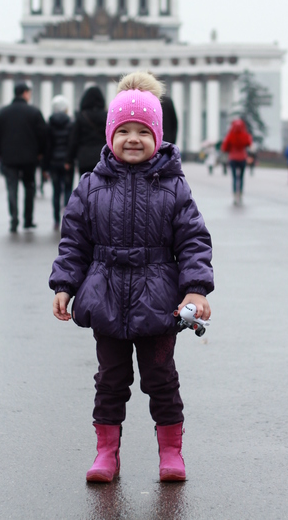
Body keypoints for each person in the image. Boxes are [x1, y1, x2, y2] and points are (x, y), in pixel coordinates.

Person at [49, 71, 213, 484]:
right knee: (110, 380)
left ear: (157, 136)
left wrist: (196, 287)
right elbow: (74, 242)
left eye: (143, 131)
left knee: (161, 379)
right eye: (124, 130)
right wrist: (64, 285)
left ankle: (171, 453)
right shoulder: (90, 187)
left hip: (158, 298)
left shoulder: (174, 187)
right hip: (106, 296)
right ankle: (107, 453)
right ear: (110, 135)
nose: (133, 139)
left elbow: (193, 240)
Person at [0, 82, 47, 232]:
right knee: (29, 188)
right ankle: (28, 220)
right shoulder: (34, 112)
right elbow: (43, 134)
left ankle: (14, 218)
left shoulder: (2, 112)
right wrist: (40, 152)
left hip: (8, 157)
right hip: (30, 158)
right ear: (24, 93)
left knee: (12, 188)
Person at [45, 94, 74, 231]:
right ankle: (66, 218)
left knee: (56, 192)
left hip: (54, 162)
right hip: (67, 162)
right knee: (68, 190)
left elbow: (47, 146)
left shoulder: (49, 124)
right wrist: (70, 159)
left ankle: (56, 219)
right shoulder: (70, 123)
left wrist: (45, 165)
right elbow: (71, 144)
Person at [66, 86, 107, 176]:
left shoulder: (81, 117)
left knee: (86, 186)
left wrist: (69, 160)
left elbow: (74, 140)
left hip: (85, 158)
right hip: (102, 157)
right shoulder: (106, 116)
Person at [221, 119, 253, 205]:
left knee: (234, 178)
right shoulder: (246, 135)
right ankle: (241, 194)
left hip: (233, 158)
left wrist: (230, 149)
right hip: (242, 158)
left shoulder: (230, 136)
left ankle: (235, 195)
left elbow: (224, 148)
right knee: (241, 178)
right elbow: (250, 145)